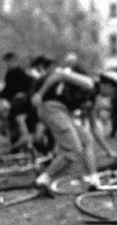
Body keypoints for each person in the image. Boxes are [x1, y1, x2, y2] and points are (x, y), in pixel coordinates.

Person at [31, 56, 99, 194]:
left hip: (62, 111)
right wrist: (40, 94)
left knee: (86, 140)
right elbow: (59, 75)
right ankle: (43, 179)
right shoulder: (88, 83)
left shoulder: (89, 96)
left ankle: (93, 178)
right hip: (52, 108)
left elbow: (94, 127)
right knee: (73, 150)